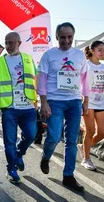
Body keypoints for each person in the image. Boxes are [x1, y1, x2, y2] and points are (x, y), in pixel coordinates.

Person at [37, 22, 89, 192]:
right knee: (53, 137)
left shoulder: (80, 55)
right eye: (63, 37)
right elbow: (42, 79)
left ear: (73, 37)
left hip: (74, 101)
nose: (66, 41)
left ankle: (68, 176)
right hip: (55, 101)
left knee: (72, 141)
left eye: (70, 37)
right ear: (57, 37)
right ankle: (46, 157)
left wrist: (85, 100)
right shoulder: (49, 55)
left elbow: (85, 79)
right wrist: (43, 102)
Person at [0, 32, 37, 184]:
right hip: (9, 107)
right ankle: (11, 168)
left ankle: (18, 154)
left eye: (11, 43)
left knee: (31, 135)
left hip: (28, 106)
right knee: (9, 141)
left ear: (19, 43)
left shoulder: (29, 59)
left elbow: (36, 80)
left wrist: (41, 100)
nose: (8, 46)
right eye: (6, 42)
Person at [78, 41, 104, 170]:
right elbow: (79, 84)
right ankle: (86, 159)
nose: (102, 52)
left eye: (103, 50)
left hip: (100, 102)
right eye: (100, 50)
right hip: (88, 102)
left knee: (102, 133)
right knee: (90, 131)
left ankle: (83, 147)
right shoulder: (86, 66)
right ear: (92, 50)